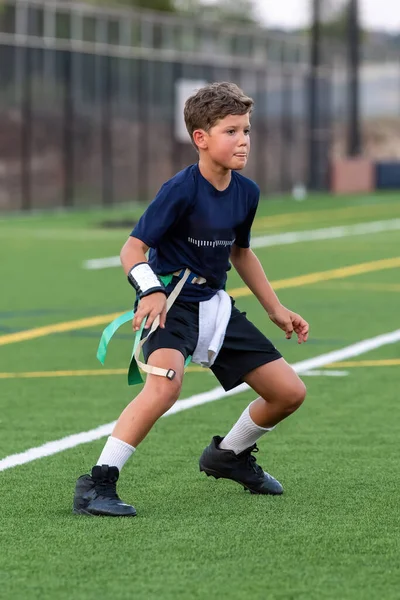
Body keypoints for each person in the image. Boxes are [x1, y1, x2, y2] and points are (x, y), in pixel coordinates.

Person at [73, 82, 309, 517]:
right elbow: (131, 250)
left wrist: (276, 309)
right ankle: (97, 483)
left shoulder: (247, 192)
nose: (243, 141)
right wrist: (151, 290)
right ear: (200, 138)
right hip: (171, 303)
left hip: (214, 306)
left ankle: (229, 455)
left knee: (289, 392)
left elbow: (240, 252)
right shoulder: (180, 189)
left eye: (246, 130)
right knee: (165, 386)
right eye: (231, 131)